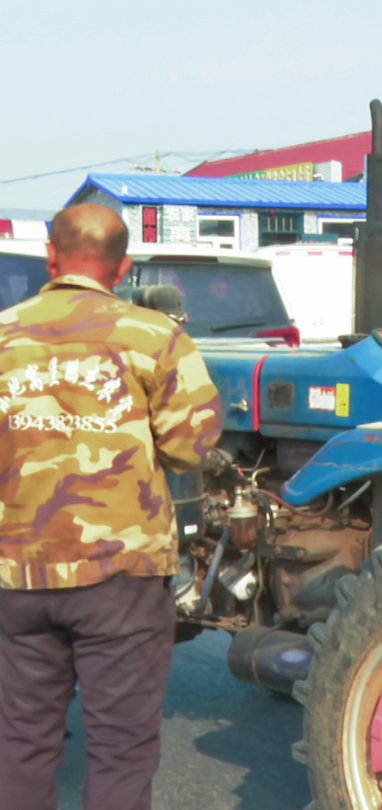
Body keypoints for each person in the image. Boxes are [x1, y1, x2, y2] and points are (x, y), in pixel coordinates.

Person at [0, 203, 223, 810]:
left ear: (51, 256)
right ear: (123, 268)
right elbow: (191, 446)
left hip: (20, 574)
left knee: (20, 745)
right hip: (121, 578)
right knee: (121, 751)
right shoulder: (154, 337)